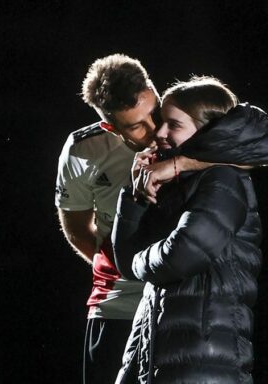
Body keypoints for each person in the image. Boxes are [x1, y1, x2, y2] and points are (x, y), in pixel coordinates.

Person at [55, 54, 207, 384]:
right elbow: (78, 228)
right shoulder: (83, 149)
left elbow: (255, 153)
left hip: (185, 307)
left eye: (154, 113)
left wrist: (179, 165)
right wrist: (126, 266)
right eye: (137, 125)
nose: (154, 130)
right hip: (117, 308)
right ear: (110, 126)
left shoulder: (190, 122)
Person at [111, 76, 267, 383]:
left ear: (207, 130)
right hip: (158, 355)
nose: (159, 132)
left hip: (203, 362)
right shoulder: (178, 185)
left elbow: (182, 255)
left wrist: (140, 260)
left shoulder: (223, 180)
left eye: (174, 124)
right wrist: (136, 194)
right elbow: (124, 263)